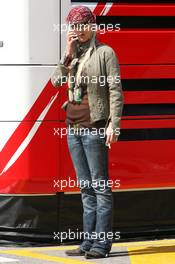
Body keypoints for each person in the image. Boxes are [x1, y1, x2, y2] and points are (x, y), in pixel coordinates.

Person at [51, 5, 124, 259]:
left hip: (94, 128)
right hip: (73, 129)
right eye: (75, 27)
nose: (79, 31)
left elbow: (115, 91)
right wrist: (67, 55)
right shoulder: (74, 55)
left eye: (82, 26)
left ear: (92, 25)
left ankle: (102, 245)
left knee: (101, 187)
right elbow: (56, 81)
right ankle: (88, 242)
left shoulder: (105, 53)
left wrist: (114, 124)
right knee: (85, 188)